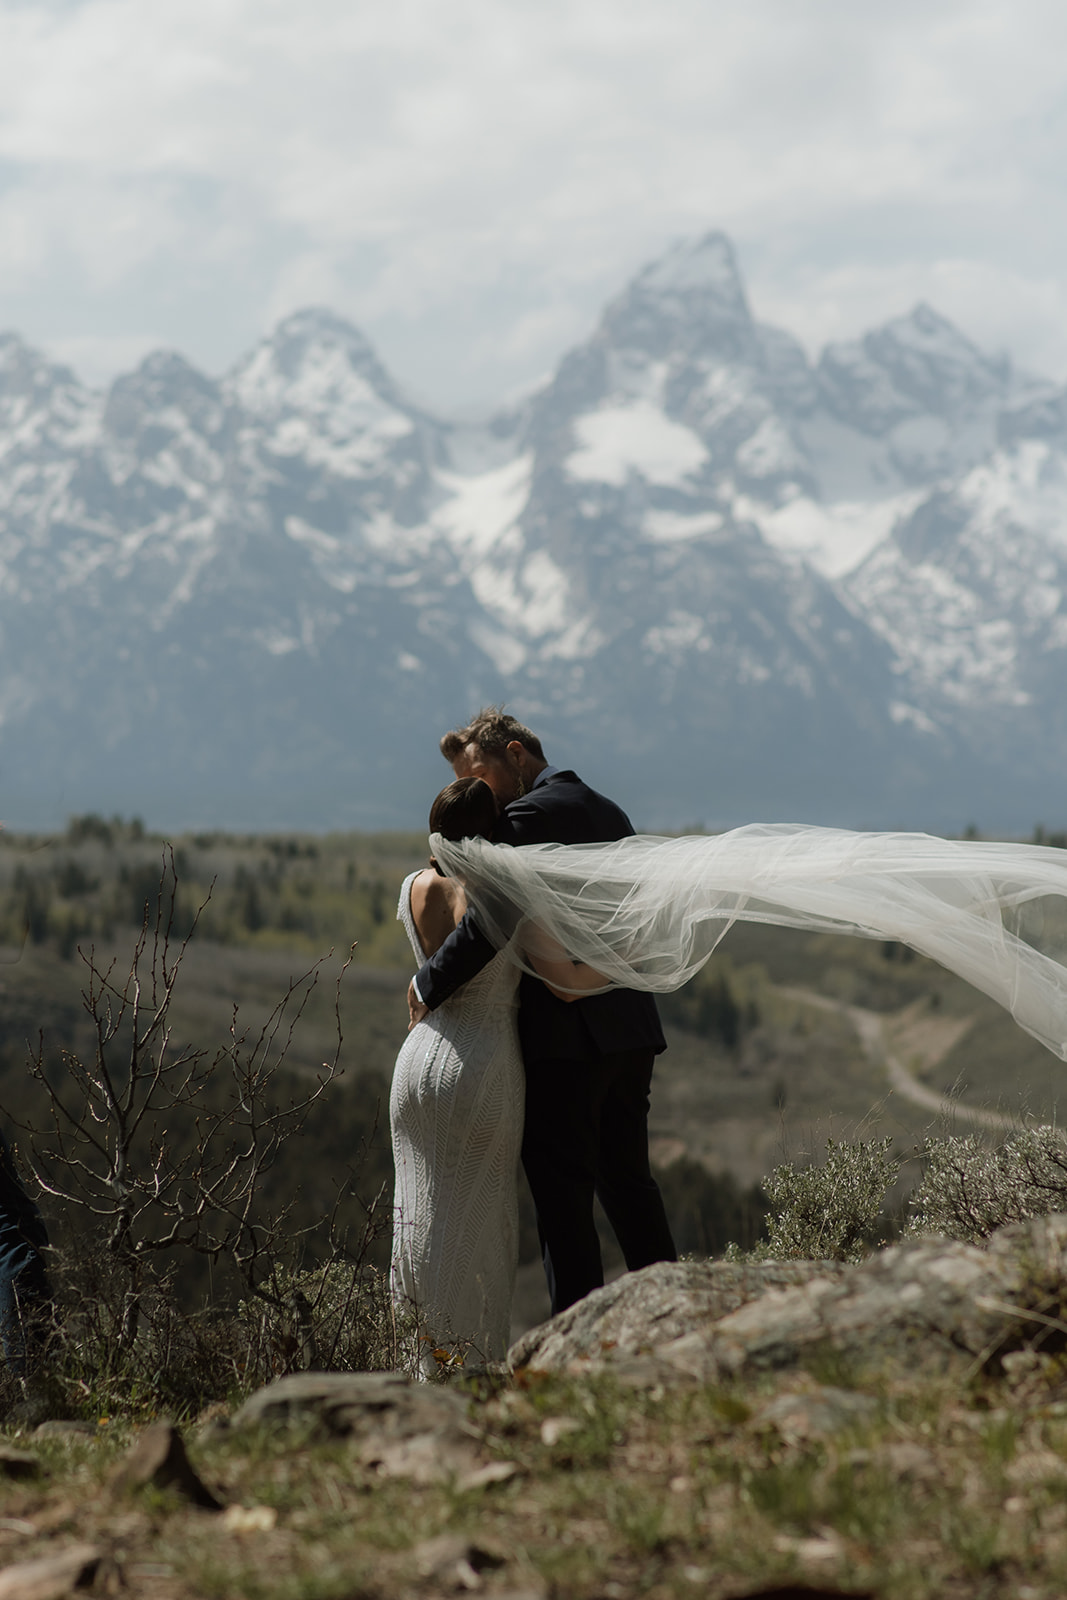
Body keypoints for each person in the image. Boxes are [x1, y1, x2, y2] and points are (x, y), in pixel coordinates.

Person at [408, 710, 677, 1317]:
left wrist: (429, 981)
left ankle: (576, 1353)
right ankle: (673, 1316)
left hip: (565, 1041)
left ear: (516, 755)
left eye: (480, 776)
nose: (479, 794)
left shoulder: (524, 820)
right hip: (631, 1029)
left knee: (565, 1208)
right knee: (633, 1189)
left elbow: (491, 918)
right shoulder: (610, 811)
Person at [390, 776, 525, 1371]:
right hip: (481, 1059)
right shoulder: (498, 893)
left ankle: (419, 1364)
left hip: (417, 1056)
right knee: (478, 1215)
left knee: (418, 1214)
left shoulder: (414, 886)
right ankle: (467, 1368)